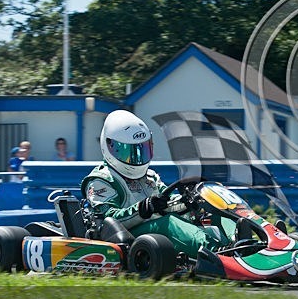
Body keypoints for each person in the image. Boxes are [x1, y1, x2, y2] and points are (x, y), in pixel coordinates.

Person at [80, 110, 229, 259]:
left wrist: (188, 201)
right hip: (129, 235)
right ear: (109, 146)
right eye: (129, 152)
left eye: (142, 150)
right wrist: (143, 208)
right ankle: (217, 253)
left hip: (156, 230)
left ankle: (240, 244)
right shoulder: (101, 180)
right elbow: (108, 219)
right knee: (168, 223)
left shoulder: (150, 176)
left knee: (212, 209)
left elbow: (167, 203)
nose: (137, 158)